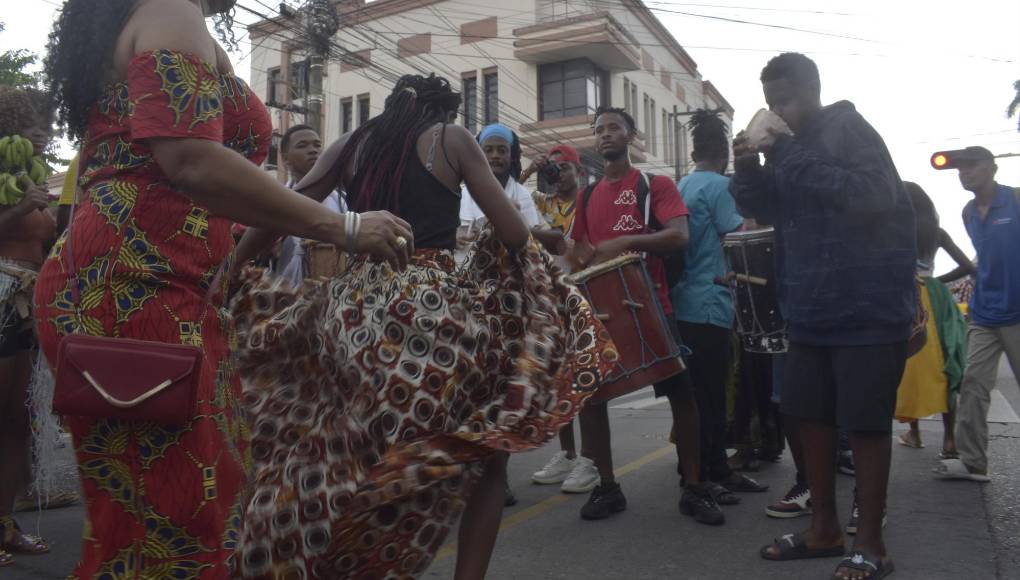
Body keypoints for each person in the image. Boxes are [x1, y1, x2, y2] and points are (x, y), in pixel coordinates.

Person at [37, 0, 412, 576]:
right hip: (135, 288)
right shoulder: (169, 10)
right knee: (169, 525)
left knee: (173, 513)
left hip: (159, 283)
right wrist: (345, 226)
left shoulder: (161, 18)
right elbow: (191, 161)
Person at [230, 74, 614, 579]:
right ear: (442, 112)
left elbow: (282, 208)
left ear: (389, 108)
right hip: (428, 316)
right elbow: (515, 233)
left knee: (348, 448)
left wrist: (233, 266)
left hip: (350, 312)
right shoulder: (450, 139)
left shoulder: (351, 144)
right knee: (486, 450)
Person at [731, 53, 915, 579]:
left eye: (785, 99)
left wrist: (785, 150)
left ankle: (872, 545)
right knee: (808, 417)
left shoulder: (848, 128)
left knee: (864, 426)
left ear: (813, 90)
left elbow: (872, 197)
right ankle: (824, 529)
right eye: (770, 103)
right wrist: (746, 166)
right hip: (809, 309)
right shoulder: (787, 150)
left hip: (867, 309)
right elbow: (765, 208)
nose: (778, 110)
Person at [569, 106, 725, 525]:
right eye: (599, 129)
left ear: (630, 136)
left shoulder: (655, 185)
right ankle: (606, 486)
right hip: (603, 313)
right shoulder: (585, 197)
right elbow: (576, 255)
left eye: (614, 127)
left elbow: (679, 235)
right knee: (592, 397)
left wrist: (622, 243)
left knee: (682, 394)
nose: (605, 135)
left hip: (654, 304)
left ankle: (694, 486)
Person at [671, 109, 768, 506]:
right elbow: (741, 235)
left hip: (684, 303)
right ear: (724, 154)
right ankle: (711, 471)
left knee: (696, 393)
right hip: (711, 302)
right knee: (711, 394)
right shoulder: (718, 187)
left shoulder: (682, 184)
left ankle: (710, 467)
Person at [933, 146, 1020, 483]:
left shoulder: (1015, 201)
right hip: (984, 314)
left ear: (992, 168)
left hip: (1017, 312)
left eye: (971, 166)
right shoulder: (968, 212)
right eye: (960, 169)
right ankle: (973, 462)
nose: (964, 173)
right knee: (971, 384)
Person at [0, 84, 56, 567]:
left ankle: (5, 522)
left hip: (27, 303)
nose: (44, 133)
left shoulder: (35, 176)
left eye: (49, 124)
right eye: (34, 123)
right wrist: (19, 209)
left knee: (19, 421)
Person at [527, 144, 599, 494]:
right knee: (560, 381)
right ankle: (568, 455)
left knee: (585, 381)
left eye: (564, 169)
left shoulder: (589, 200)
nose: (558, 176)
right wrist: (530, 168)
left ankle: (590, 460)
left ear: (578, 171)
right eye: (553, 170)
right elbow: (511, 199)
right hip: (551, 300)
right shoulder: (542, 203)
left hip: (586, 296)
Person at [895, 182, 972, 455]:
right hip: (937, 298)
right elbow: (968, 266)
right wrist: (936, 281)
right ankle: (949, 439)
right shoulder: (937, 233)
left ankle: (914, 433)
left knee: (911, 364)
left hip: (907, 296)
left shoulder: (895, 229)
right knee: (945, 364)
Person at [273, 124, 345, 286]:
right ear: (285, 158)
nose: (313, 150)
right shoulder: (274, 203)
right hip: (285, 294)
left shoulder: (342, 202)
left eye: (317, 145)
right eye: (302, 146)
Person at [458, 123, 540, 247]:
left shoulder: (522, 195)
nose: (495, 155)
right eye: (488, 150)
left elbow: (532, 240)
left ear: (512, 156)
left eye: (502, 151)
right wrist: (454, 238)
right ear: (478, 154)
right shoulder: (462, 195)